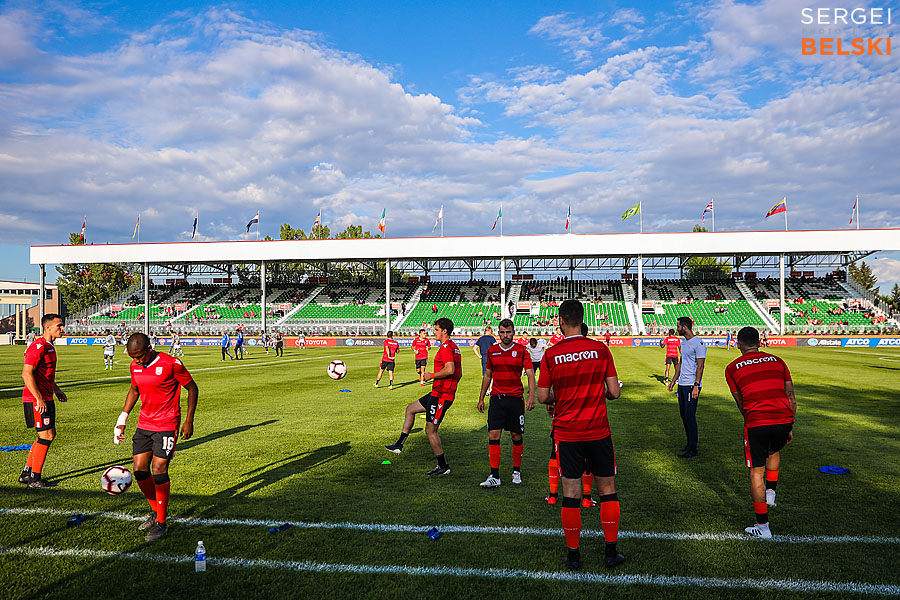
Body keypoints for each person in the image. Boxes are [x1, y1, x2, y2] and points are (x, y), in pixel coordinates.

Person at [537, 300, 624, 570]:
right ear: (583, 319)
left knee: (571, 493)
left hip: (567, 433)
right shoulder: (601, 349)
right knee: (607, 491)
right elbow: (615, 392)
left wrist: (557, 397)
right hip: (598, 430)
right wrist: (601, 393)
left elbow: (542, 397)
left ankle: (573, 555)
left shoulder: (551, 354)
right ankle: (610, 553)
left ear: (561, 321)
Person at [114, 333, 198, 541]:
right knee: (140, 471)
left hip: (167, 424)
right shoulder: (135, 366)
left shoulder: (172, 364)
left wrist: (189, 420)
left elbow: (192, 387)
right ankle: (156, 511)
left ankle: (161, 523)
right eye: (132, 357)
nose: (136, 361)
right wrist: (122, 418)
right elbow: (134, 390)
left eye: (139, 356)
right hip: (144, 424)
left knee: (159, 469)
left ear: (149, 349)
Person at [724, 327, 796, 539]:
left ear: (738, 344)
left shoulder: (732, 367)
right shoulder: (778, 361)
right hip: (783, 418)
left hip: (757, 421)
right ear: (759, 341)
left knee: (756, 472)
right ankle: (771, 494)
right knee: (774, 449)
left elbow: (741, 401)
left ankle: (763, 527)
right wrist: (790, 424)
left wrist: (750, 420)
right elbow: (790, 395)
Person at [385, 318, 461, 476]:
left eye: (436, 329)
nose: (434, 332)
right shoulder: (454, 347)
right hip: (437, 392)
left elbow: (450, 370)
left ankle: (443, 466)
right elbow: (459, 373)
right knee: (410, 409)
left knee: (430, 430)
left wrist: (431, 375)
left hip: (441, 396)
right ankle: (399, 445)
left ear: (444, 331)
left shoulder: (447, 347)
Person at [476, 319, 536, 487]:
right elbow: (488, 375)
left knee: (516, 435)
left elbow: (530, 374)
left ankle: (516, 471)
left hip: (515, 400)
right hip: (497, 399)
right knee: (493, 435)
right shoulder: (493, 351)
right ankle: (494, 475)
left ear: (513, 332)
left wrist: (531, 395)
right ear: (498, 333)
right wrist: (481, 398)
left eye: (508, 332)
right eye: (502, 332)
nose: (505, 335)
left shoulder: (522, 350)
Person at [18, 313, 68, 488]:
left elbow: (44, 375)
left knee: (47, 434)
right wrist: (39, 398)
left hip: (45, 396)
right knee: (46, 435)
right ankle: (34, 478)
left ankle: (27, 473)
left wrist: (57, 390)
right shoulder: (38, 346)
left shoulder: (49, 346)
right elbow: (26, 373)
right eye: (59, 326)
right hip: (36, 398)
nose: (62, 329)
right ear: (48, 327)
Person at [667, 317, 706, 458]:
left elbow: (700, 366)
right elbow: (681, 364)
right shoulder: (683, 343)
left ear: (684, 327)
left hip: (691, 385)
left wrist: (696, 385)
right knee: (684, 415)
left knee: (690, 416)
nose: (676, 328)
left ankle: (693, 449)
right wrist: (673, 381)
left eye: (678, 326)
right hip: (682, 384)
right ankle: (689, 444)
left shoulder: (699, 343)